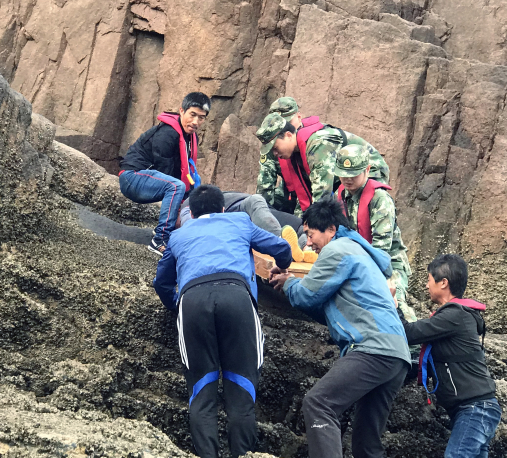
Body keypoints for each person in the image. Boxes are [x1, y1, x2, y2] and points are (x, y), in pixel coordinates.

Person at [269, 199, 410, 458]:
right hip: (396, 354)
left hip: (372, 348)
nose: (308, 243)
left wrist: (288, 283)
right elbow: (326, 306)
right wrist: (293, 285)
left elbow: (306, 295)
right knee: (366, 441)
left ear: (331, 229)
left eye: (311, 234)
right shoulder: (360, 253)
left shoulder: (338, 250)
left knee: (319, 403)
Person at [153, 185, 293, 458]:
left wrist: (177, 305)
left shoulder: (178, 236)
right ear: (222, 209)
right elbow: (281, 247)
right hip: (236, 297)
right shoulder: (239, 221)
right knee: (241, 387)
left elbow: (162, 282)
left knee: (201, 389)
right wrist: (282, 265)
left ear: (192, 213)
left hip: (193, 300)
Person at [399, 254, 500, 458]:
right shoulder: (455, 316)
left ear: (443, 283)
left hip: (476, 408)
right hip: (476, 409)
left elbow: (410, 332)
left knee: (457, 456)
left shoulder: (453, 315)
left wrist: (389, 302)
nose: (426, 284)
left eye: (430, 279)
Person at [334, 144, 417, 323]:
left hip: (389, 263)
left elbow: (382, 249)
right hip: (357, 260)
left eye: (354, 174)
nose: (348, 179)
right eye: (344, 174)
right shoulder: (339, 195)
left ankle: (413, 336)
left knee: (394, 300)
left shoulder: (380, 199)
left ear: (367, 170)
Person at [120, 92, 211, 255]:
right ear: (182, 111)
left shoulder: (190, 137)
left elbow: (186, 173)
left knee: (196, 187)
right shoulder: (168, 133)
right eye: (192, 114)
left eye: (201, 117)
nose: (196, 121)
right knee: (177, 187)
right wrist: (178, 209)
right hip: (132, 177)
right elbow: (166, 172)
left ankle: (182, 234)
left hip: (150, 179)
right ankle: (160, 239)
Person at [255, 111, 390, 217]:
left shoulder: (317, 144)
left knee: (341, 212)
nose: (275, 153)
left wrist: (309, 229)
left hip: (366, 171)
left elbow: (322, 194)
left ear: (289, 135)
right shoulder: (295, 153)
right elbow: (305, 196)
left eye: (275, 148)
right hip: (342, 178)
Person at [177, 192, 316, 262]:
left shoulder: (190, 203)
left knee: (299, 230)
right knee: (298, 230)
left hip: (250, 211)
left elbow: (189, 225)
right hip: (259, 215)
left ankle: (297, 246)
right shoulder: (193, 205)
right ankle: (302, 248)